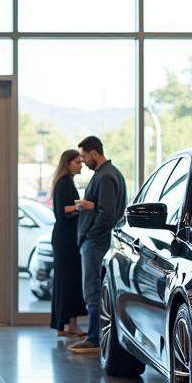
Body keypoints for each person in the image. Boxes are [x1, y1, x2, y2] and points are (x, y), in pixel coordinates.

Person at [69, 136, 127, 355]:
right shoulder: (108, 174)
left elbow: (107, 214)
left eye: (84, 157)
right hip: (95, 240)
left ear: (94, 153)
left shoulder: (105, 177)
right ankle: (94, 333)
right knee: (94, 289)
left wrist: (90, 235)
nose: (83, 162)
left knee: (92, 290)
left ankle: (94, 338)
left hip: (96, 242)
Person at [48, 150, 87, 338]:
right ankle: (69, 325)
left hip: (65, 238)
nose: (81, 165)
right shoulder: (64, 183)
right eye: (77, 161)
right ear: (68, 163)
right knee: (68, 281)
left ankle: (64, 325)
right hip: (66, 240)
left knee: (66, 281)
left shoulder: (65, 182)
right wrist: (83, 205)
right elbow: (63, 210)